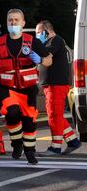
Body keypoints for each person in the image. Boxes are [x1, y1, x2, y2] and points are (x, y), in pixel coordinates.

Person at [0, 8, 53, 165]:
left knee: (29, 120)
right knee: (12, 113)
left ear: (23, 23)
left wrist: (40, 60)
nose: (13, 22)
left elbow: (49, 60)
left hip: (28, 88)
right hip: (7, 86)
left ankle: (30, 150)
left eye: (16, 20)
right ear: (7, 22)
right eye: (10, 20)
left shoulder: (33, 42)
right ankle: (17, 144)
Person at [35, 20, 81, 156]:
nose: (37, 36)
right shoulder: (54, 42)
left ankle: (55, 147)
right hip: (53, 84)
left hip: (56, 85)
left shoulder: (55, 41)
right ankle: (72, 141)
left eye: (38, 33)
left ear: (46, 31)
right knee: (56, 115)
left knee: (54, 116)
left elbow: (46, 54)